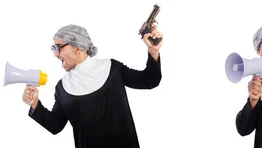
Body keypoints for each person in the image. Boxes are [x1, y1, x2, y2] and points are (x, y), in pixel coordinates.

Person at [22, 24, 163, 148]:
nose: (55, 54)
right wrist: (35, 104)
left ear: (77, 47)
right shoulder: (62, 87)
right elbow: (55, 126)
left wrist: (153, 51)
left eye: (58, 47)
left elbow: (149, 80)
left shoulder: (113, 68)